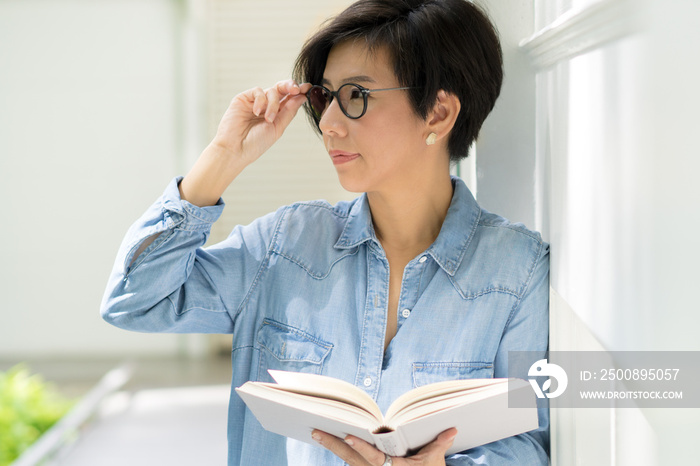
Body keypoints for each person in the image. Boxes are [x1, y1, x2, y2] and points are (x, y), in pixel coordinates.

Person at [101, 0, 549, 464]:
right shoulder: (286, 245)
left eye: (356, 96)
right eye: (325, 97)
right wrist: (222, 157)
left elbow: (529, 440)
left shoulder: (517, 271)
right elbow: (134, 301)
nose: (329, 125)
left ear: (437, 113)